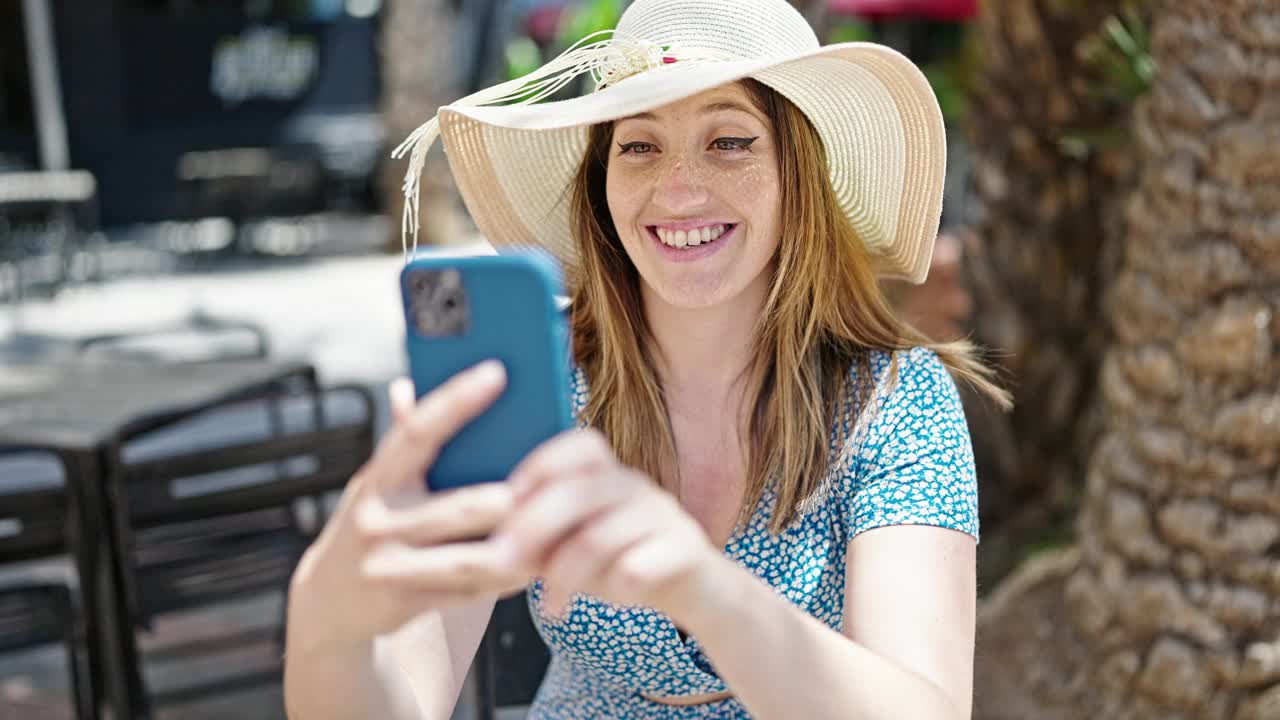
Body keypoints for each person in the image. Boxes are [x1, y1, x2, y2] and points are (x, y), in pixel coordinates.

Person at [284, 0, 1009, 717]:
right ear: (602, 186)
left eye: (729, 140)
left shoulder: (892, 401)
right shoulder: (537, 383)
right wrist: (327, 623)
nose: (680, 188)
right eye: (639, 145)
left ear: (801, 179)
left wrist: (706, 591)